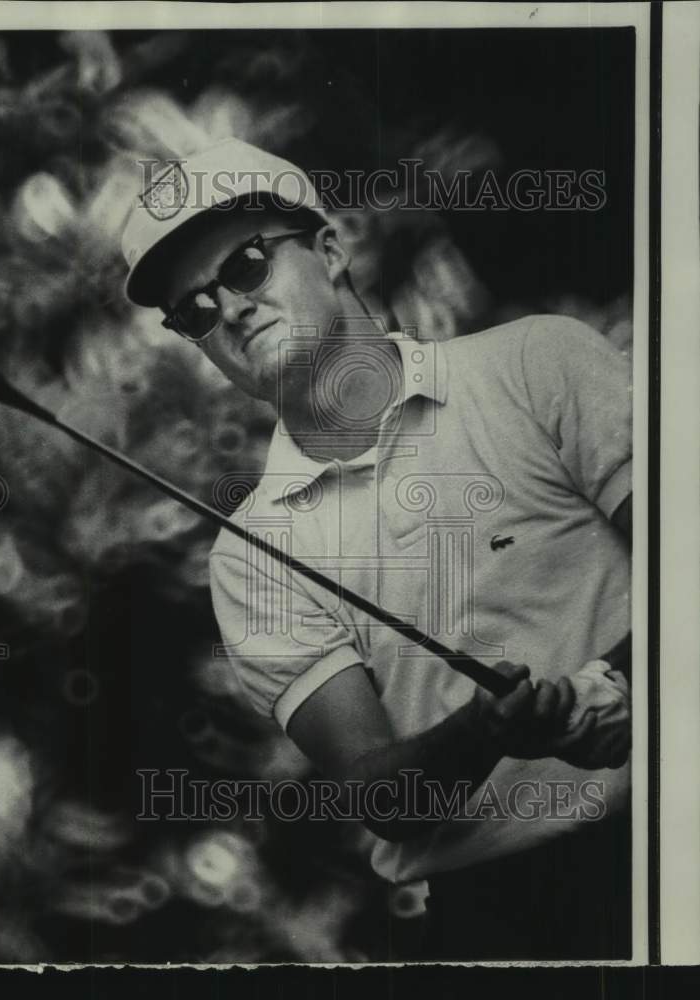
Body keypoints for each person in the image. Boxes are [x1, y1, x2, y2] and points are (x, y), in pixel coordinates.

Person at [120, 138, 632, 959]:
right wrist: (485, 731)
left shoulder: (538, 363)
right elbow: (379, 795)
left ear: (328, 249)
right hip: (500, 925)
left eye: (247, 265)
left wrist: (618, 684)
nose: (230, 308)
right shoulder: (249, 556)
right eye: (196, 310)